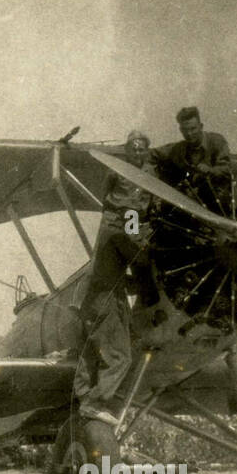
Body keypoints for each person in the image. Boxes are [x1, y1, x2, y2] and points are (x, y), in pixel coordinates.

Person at [72, 129, 156, 425]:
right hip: (105, 301)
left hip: (97, 300)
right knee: (121, 357)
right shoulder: (118, 229)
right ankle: (95, 402)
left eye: (141, 147)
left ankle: (84, 397)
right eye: (131, 147)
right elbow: (134, 245)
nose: (136, 151)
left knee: (93, 354)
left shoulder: (108, 242)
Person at [150, 106, 232, 207]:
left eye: (193, 129)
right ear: (180, 130)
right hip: (190, 203)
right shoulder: (177, 148)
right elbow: (150, 154)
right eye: (185, 130)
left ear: (201, 126)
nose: (189, 134)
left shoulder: (217, 141)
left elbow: (226, 170)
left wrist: (209, 170)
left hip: (217, 201)